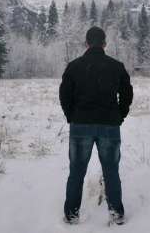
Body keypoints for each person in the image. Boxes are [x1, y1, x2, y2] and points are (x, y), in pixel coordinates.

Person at [59, 26, 134, 226]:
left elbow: (65, 95)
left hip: (80, 124)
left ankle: (72, 215)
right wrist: (120, 115)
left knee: (76, 172)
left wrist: (71, 116)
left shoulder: (74, 66)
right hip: (109, 125)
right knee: (111, 171)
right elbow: (127, 94)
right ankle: (117, 214)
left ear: (86, 43)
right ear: (104, 44)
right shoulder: (116, 66)